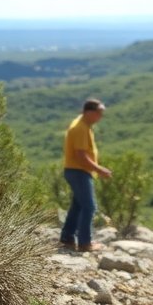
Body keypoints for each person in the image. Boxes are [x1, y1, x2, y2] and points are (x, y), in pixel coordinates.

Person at [60, 98, 112, 252]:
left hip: (76, 171)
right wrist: (99, 169)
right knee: (89, 207)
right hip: (78, 172)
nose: (100, 117)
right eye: (98, 113)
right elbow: (81, 156)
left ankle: (67, 238)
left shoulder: (83, 125)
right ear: (89, 112)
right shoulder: (80, 128)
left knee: (77, 206)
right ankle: (84, 243)